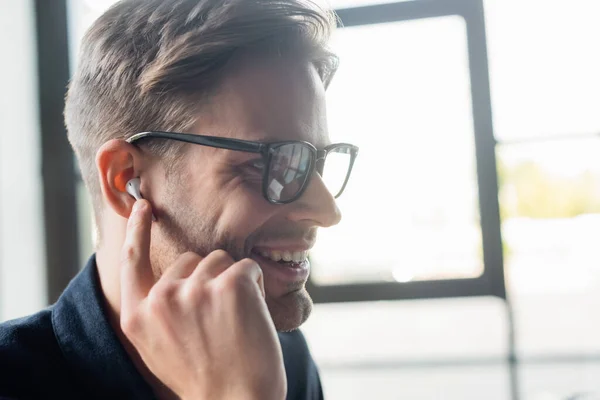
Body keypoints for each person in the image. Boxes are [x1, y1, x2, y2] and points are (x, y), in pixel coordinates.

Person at [0, 0, 359, 399]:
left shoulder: (279, 355)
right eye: (268, 163)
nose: (327, 212)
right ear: (127, 181)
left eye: (312, 162)